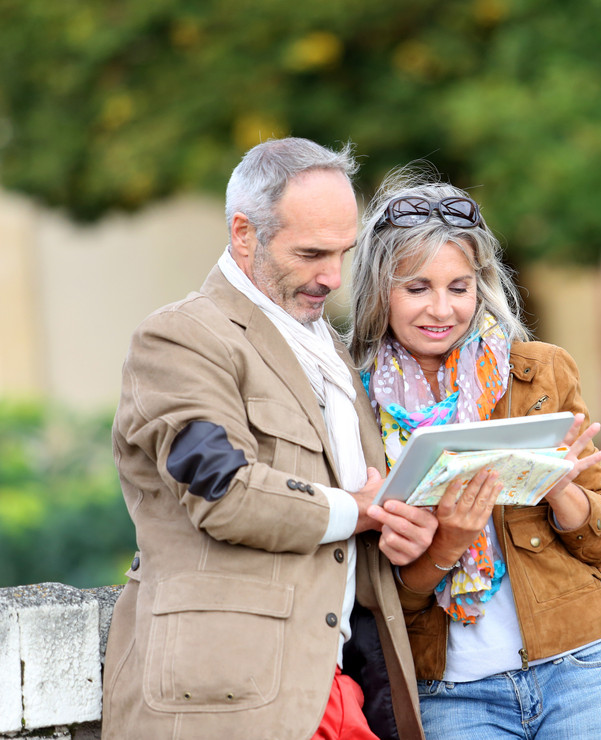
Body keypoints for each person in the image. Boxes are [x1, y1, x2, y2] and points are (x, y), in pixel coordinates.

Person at [102, 138, 439, 740]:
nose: (333, 278)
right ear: (243, 234)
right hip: (223, 700)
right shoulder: (179, 338)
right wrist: (358, 509)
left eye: (343, 253)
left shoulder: (330, 349)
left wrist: (400, 523)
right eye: (311, 253)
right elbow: (223, 492)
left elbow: (356, 528)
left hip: (342, 689)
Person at [347, 164, 601, 739]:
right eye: (417, 288)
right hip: (451, 695)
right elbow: (380, 598)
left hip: (582, 669)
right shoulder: (351, 403)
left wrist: (562, 489)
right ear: (376, 291)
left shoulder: (539, 372)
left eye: (458, 287)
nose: (442, 309)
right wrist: (447, 544)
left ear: (479, 285)